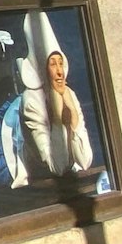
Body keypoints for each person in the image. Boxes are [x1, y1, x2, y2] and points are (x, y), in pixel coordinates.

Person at [20, 50, 93, 179]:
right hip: (40, 178)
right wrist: (58, 118)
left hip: (67, 172)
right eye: (53, 65)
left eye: (61, 63)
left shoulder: (68, 94)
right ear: (42, 69)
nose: (60, 72)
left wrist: (74, 116)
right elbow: (58, 167)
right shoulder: (31, 102)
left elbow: (85, 161)